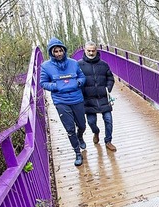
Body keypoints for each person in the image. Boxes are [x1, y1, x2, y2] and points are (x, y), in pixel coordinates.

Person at [40, 37, 87, 166]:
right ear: (51, 53)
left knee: (82, 125)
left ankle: (80, 136)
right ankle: (77, 153)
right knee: (70, 128)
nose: (59, 53)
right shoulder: (45, 66)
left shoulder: (73, 63)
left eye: (61, 50)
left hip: (76, 98)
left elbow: (82, 76)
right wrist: (57, 86)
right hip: (61, 101)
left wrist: (78, 82)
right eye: (56, 51)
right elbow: (43, 83)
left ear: (64, 51)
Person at [78, 41, 116, 151]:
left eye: (93, 50)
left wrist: (107, 89)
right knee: (91, 122)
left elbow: (110, 78)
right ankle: (96, 132)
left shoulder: (104, 64)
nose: (91, 53)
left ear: (96, 51)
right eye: (88, 50)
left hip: (103, 98)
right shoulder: (79, 65)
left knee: (108, 120)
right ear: (85, 50)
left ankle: (108, 141)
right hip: (88, 100)